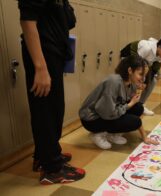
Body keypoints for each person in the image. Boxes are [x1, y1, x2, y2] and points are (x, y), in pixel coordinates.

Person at [18, 0, 85, 184]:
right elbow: (27, 20)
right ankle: (52, 169)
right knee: (45, 110)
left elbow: (69, 20)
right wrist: (40, 68)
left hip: (54, 53)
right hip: (43, 55)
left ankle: (45, 156)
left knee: (53, 109)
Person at [79, 55, 160, 150]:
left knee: (138, 108)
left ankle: (112, 134)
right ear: (130, 71)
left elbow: (125, 103)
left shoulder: (130, 82)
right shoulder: (114, 81)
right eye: (141, 74)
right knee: (135, 121)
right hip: (91, 119)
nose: (143, 79)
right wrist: (129, 105)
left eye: (144, 76)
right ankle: (99, 134)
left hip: (107, 112)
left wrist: (145, 137)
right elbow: (107, 112)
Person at [120, 37, 161, 116]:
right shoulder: (147, 48)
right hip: (128, 59)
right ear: (159, 47)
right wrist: (140, 80)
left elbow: (153, 70)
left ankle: (141, 105)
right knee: (137, 80)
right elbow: (134, 62)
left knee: (152, 81)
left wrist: (145, 83)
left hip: (142, 64)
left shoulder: (160, 56)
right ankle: (129, 104)